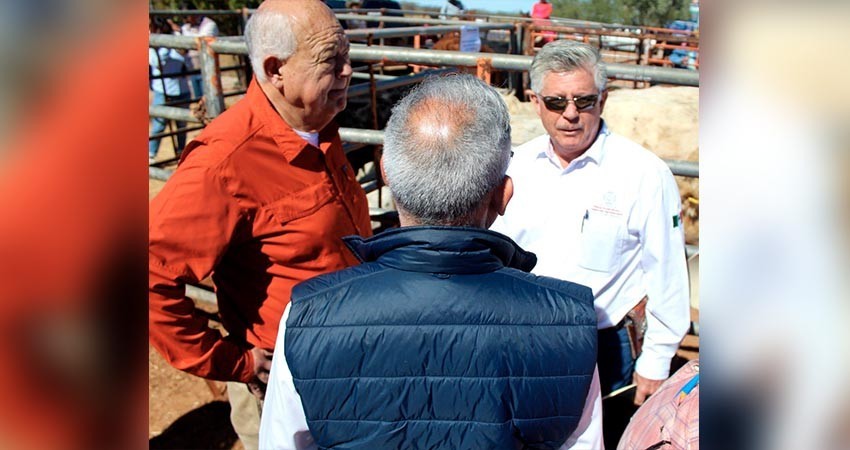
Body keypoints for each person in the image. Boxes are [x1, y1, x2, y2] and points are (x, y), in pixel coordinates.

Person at [259, 74, 604, 450]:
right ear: (502, 196)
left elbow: (281, 441)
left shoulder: (308, 313)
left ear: (386, 176)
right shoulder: (569, 322)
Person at [148, 1, 371, 449]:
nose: (349, 70)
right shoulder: (224, 163)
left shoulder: (318, 126)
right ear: (276, 70)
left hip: (351, 366)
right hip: (285, 387)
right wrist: (236, 363)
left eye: (347, 55)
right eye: (332, 60)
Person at [491, 40, 689, 407]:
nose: (570, 114)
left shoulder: (644, 174)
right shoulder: (513, 166)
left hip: (605, 347)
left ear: (604, 99)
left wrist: (657, 359)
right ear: (535, 102)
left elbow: (667, 271)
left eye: (584, 101)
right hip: (521, 341)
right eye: (555, 102)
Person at [149, 18, 191, 163]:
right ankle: (151, 154)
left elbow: (184, 53)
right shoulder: (152, 45)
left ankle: (181, 153)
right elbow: (156, 62)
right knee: (159, 124)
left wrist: (178, 34)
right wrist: (166, 45)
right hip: (163, 90)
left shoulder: (176, 41)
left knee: (181, 125)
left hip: (181, 90)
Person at [168, 14, 219, 99]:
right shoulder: (186, 27)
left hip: (207, 70)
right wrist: (178, 32)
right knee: (198, 99)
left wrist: (181, 34)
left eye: (186, 16)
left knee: (210, 99)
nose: (185, 20)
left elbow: (201, 42)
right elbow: (180, 47)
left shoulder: (209, 24)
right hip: (192, 70)